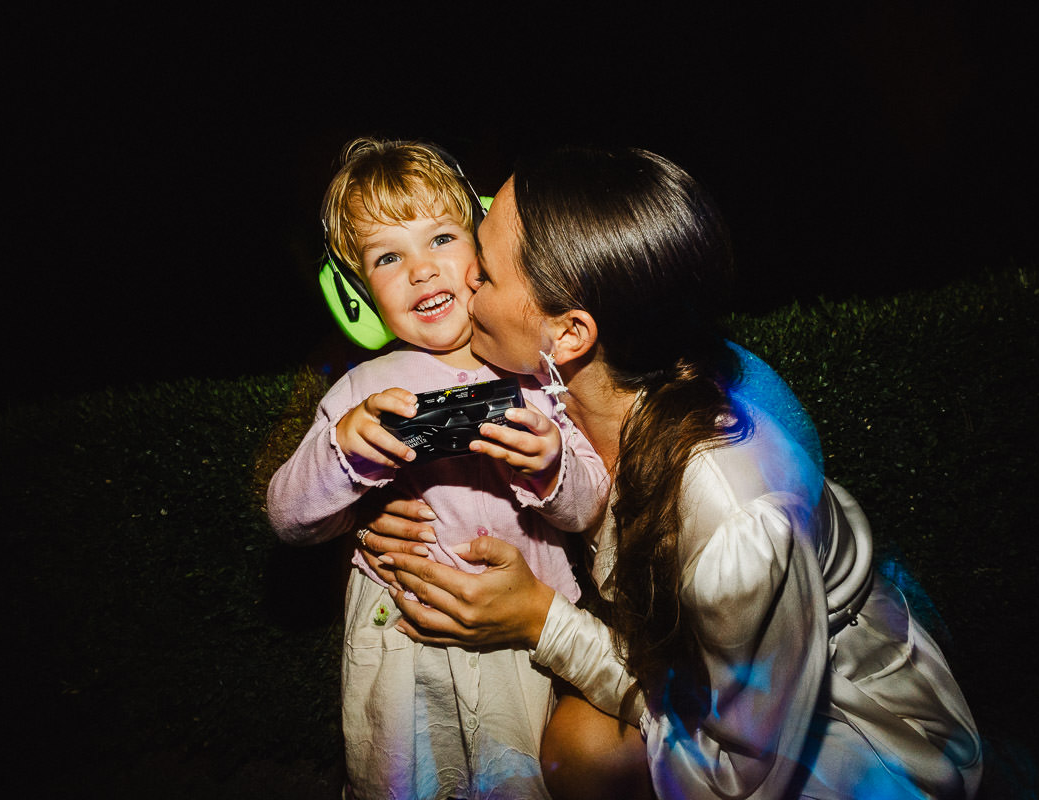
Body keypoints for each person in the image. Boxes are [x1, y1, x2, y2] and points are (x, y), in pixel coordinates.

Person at [373, 145, 984, 799]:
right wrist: (396, 492)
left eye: (484, 275)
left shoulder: (732, 510)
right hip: (689, 666)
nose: (460, 278)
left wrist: (539, 619)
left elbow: (734, 774)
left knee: (581, 750)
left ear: (571, 333)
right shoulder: (566, 383)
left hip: (837, 741)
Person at [266, 138, 609, 800]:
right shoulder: (361, 391)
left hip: (523, 649)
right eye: (389, 256)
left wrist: (552, 465)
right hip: (401, 648)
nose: (421, 270)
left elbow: (592, 504)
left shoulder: (533, 371)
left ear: (483, 247)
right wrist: (345, 451)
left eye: (442, 238)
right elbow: (289, 517)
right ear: (358, 291)